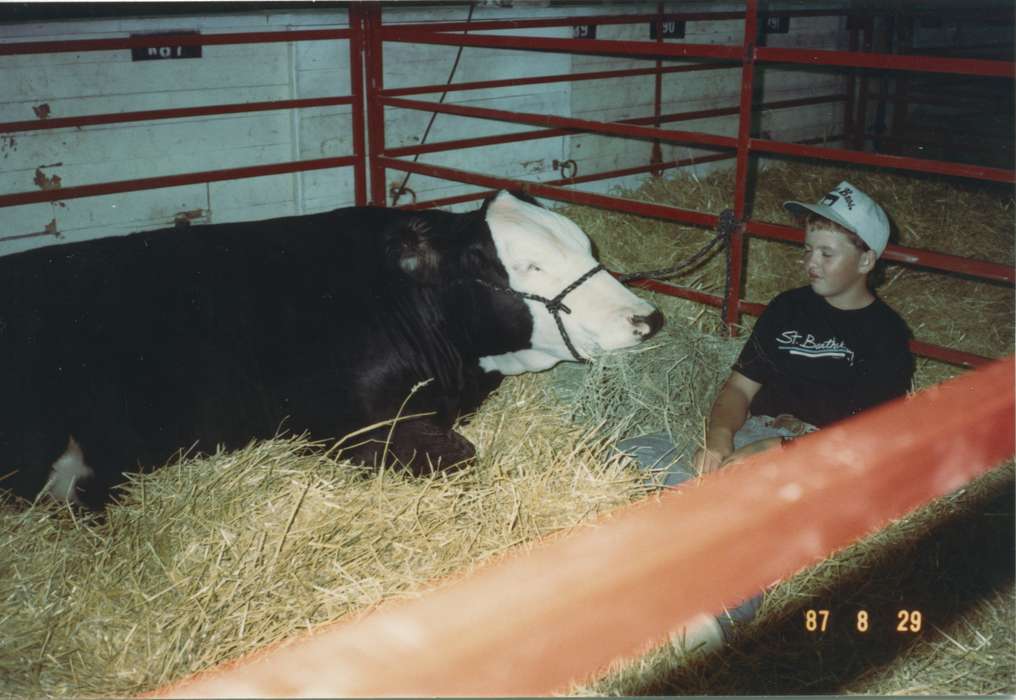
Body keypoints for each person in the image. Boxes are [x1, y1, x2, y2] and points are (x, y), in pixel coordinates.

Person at [617, 180, 914, 645]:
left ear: (866, 261)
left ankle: (716, 611)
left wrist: (777, 449)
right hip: (755, 434)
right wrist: (719, 436)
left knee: (763, 519)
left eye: (826, 254)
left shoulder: (887, 336)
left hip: (821, 455)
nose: (809, 263)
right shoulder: (788, 309)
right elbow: (738, 387)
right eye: (808, 249)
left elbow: (867, 437)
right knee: (632, 451)